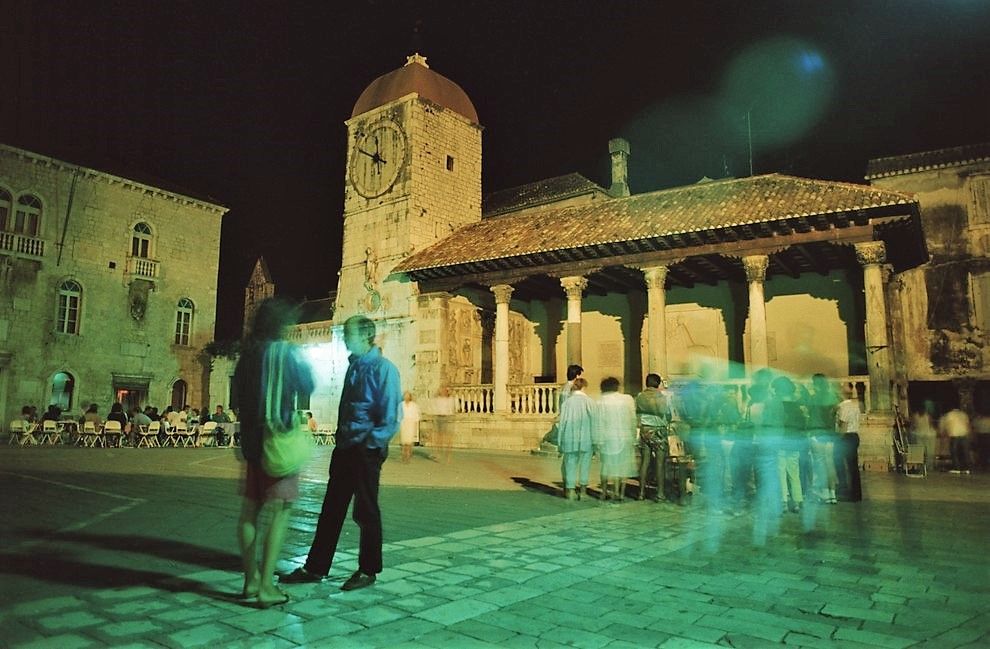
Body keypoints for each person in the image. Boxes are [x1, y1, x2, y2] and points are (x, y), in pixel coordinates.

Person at [281, 314, 401, 592]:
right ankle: (315, 567)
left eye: (349, 334)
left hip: (365, 449)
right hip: (345, 447)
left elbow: (390, 415)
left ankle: (368, 569)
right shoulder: (354, 366)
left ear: (365, 336)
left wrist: (371, 444)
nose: (345, 339)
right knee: (331, 509)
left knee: (366, 510)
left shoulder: (384, 369)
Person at [233, 297, 314, 608]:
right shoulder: (285, 353)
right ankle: (267, 586)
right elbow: (307, 384)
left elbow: (238, 397)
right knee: (280, 512)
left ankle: (250, 580)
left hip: (252, 442)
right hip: (278, 439)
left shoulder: (247, 355)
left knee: (249, 511)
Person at [594, 377, 637, 502]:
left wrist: (597, 441)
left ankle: (604, 492)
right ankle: (620, 493)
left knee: (605, 466)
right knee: (622, 466)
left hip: (607, 438)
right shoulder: (627, 399)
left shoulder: (600, 401)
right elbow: (632, 419)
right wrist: (633, 435)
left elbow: (598, 423)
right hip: (625, 436)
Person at [635, 373, 672, 502]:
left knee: (645, 461)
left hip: (645, 429)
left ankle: (641, 493)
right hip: (659, 430)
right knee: (660, 463)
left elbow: (637, 412)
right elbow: (667, 414)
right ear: (658, 383)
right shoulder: (663, 397)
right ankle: (660, 493)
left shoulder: (640, 396)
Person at [557, 377, 595, 500]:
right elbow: (594, 421)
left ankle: (571, 491)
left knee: (570, 464)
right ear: (584, 387)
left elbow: (562, 423)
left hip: (569, 437)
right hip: (586, 437)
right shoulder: (589, 402)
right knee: (585, 465)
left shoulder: (567, 403)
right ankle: (583, 492)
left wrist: (560, 442)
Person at [806, 374, 839, 504]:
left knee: (819, 463)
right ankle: (833, 494)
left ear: (815, 384)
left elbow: (810, 415)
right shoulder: (832, 397)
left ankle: (824, 491)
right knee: (830, 463)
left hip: (817, 432)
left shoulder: (813, 398)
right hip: (830, 433)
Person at [835, 383, 862, 501]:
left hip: (846, 436)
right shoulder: (855, 406)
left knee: (839, 463)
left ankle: (843, 488)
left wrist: (838, 439)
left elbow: (843, 425)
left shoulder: (843, 406)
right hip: (854, 435)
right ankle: (856, 493)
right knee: (853, 467)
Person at [940, 408, 971, 474]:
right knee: (965, 453)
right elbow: (968, 425)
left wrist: (945, 433)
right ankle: (967, 467)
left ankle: (957, 467)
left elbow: (947, 425)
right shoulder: (963, 414)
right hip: (964, 435)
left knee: (954, 453)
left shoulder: (949, 414)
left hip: (954, 436)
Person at [432, 387, 455, 463]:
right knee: (439, 438)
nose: (442, 392)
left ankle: (448, 456)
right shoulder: (437, 399)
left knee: (448, 439)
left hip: (447, 418)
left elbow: (452, 408)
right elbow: (433, 404)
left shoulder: (450, 399)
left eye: (444, 390)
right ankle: (438, 455)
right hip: (438, 418)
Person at [400, 392, 421, 463]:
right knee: (404, 441)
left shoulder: (414, 405)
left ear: (410, 397)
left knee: (409, 440)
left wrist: (415, 423)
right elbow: (398, 415)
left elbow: (417, 415)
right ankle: (403, 454)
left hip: (411, 423)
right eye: (405, 396)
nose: (406, 397)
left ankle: (408, 455)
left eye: (407, 396)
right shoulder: (401, 405)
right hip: (403, 423)